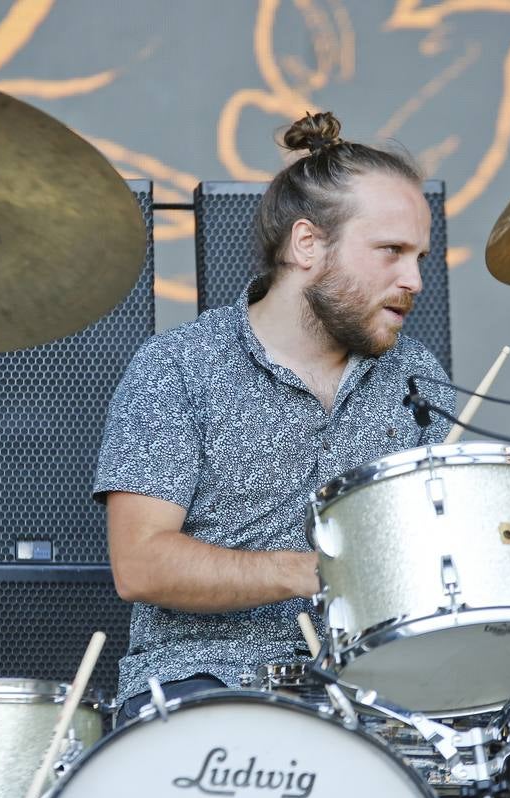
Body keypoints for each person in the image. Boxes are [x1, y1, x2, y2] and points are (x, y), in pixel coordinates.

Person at [92, 110, 453, 721]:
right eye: (391, 251)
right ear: (308, 244)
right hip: (203, 684)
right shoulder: (178, 366)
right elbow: (140, 563)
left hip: (378, 692)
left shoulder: (418, 377)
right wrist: (317, 570)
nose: (414, 279)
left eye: (419, 255)